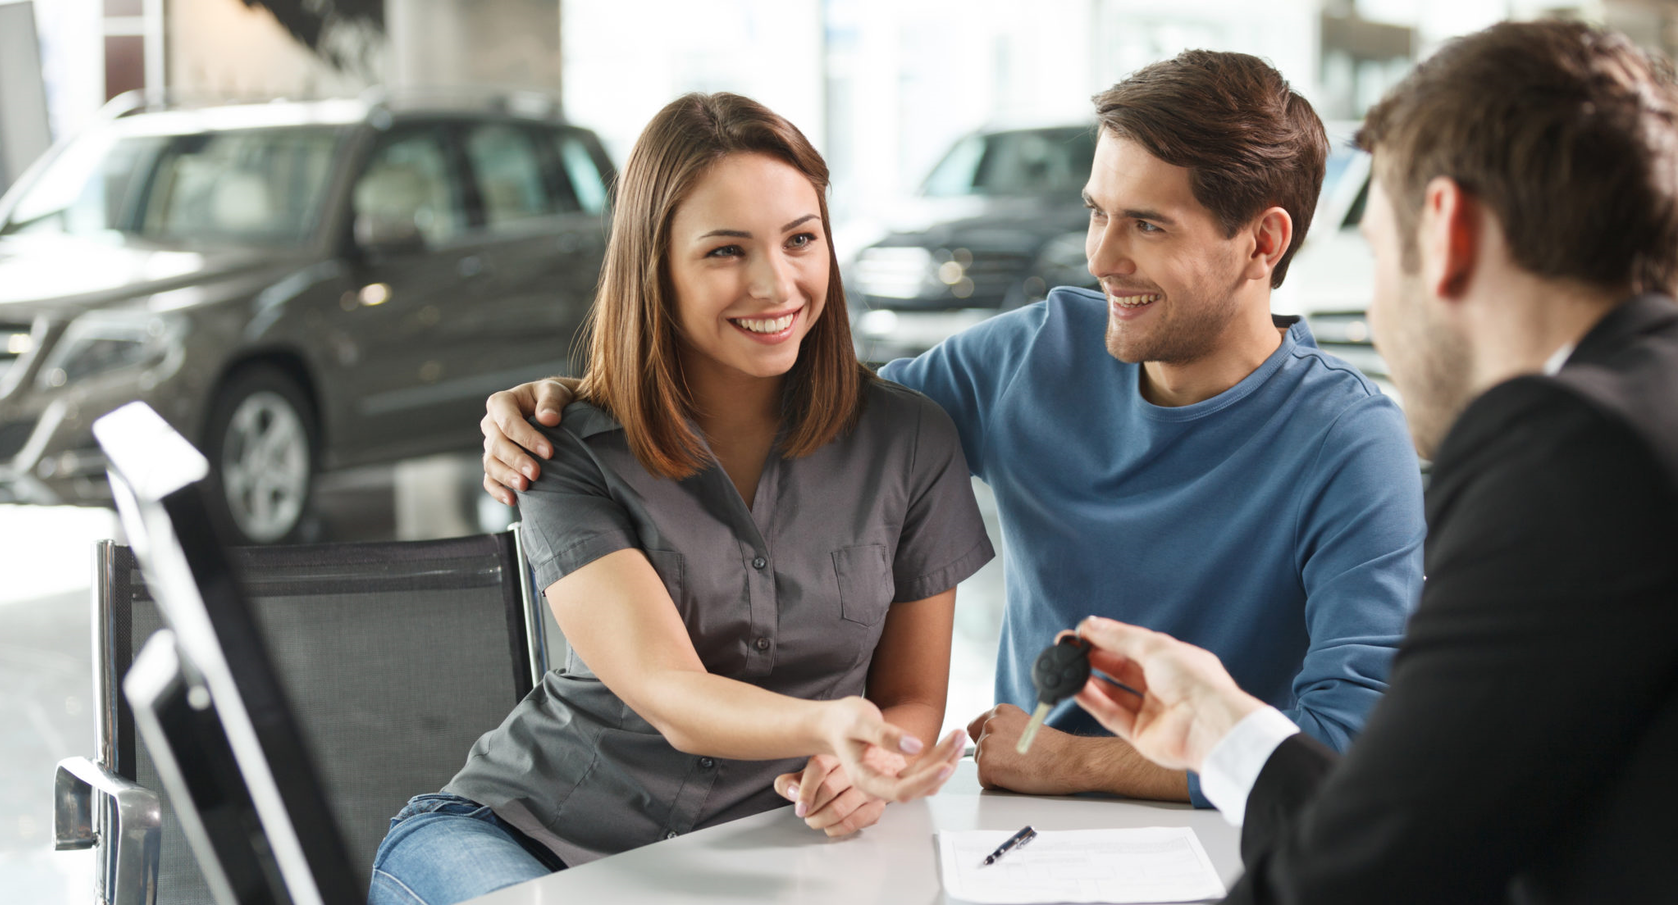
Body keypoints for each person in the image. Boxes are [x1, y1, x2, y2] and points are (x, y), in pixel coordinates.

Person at [480, 52, 1426, 810]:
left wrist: (1076, 764)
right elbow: (805, 404)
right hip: (1022, 829)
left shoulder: (1352, 443)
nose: (1101, 256)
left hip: (1236, 842)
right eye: (1096, 212)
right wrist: (580, 397)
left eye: (1146, 224)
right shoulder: (1029, 357)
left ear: (1263, 241)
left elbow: (1349, 746)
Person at [1070, 20, 1678, 904]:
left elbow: (1366, 878)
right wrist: (1221, 729)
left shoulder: (1570, 452)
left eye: (1380, 258)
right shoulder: (1647, 410)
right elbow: (1436, 814)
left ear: (1447, 228)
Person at [369, 93, 989, 905]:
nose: (776, 283)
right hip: (520, 839)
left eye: (801, 239)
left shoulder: (910, 440)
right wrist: (824, 723)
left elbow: (910, 695)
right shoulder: (566, 446)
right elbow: (669, 690)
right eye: (727, 250)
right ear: (653, 266)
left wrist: (871, 764)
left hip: (757, 856)